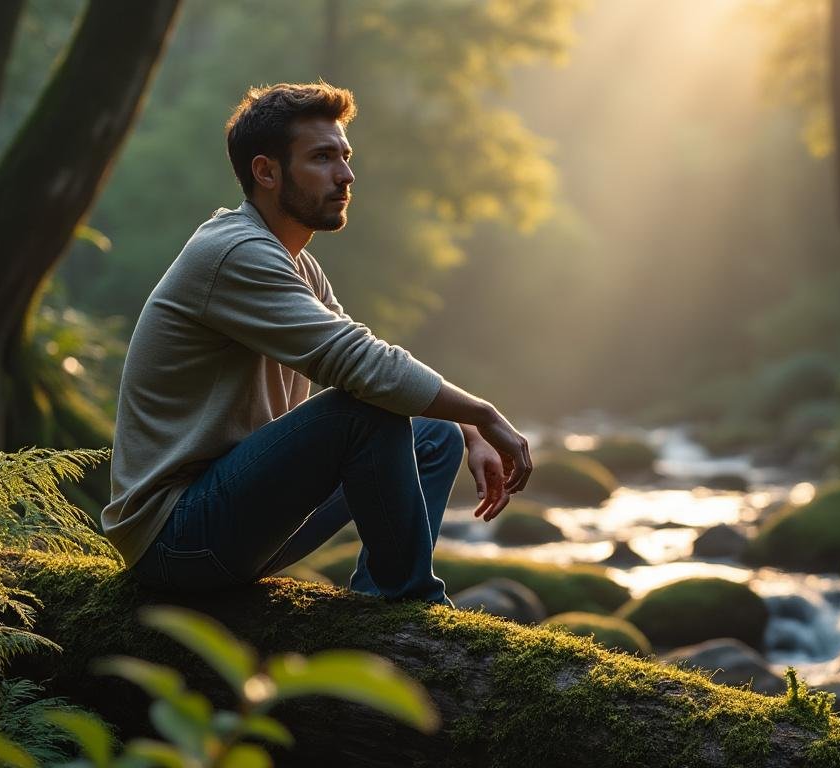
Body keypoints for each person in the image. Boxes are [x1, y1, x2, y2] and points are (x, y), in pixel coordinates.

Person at [101, 82, 532, 605]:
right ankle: (410, 601)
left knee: (434, 433)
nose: (346, 175)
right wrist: (486, 414)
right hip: (175, 540)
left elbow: (363, 353)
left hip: (237, 525)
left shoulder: (295, 261)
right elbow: (359, 367)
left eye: (345, 157)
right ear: (266, 172)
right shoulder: (233, 252)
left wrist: (464, 424)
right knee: (361, 413)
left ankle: (381, 601)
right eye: (323, 158)